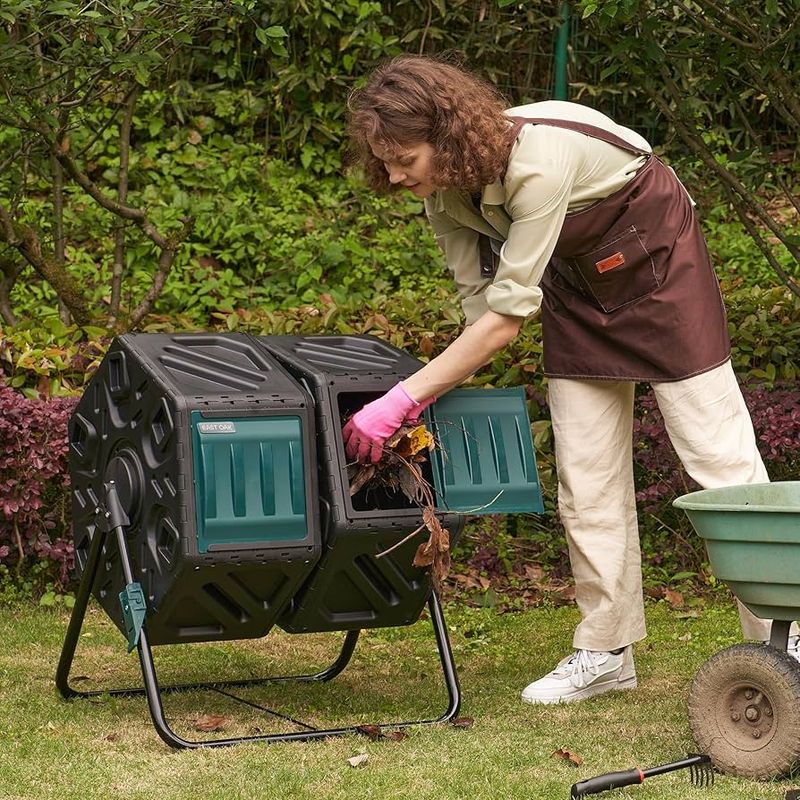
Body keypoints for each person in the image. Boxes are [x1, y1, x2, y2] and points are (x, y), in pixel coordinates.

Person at [341, 53, 783, 705]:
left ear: (445, 135)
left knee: (721, 463)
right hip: (575, 290)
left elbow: (503, 324)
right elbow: (480, 311)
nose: (394, 174)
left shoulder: (537, 164)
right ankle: (606, 652)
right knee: (586, 477)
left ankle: (786, 640)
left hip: (657, 259)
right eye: (386, 162)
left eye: (403, 158)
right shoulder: (443, 197)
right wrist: (425, 390)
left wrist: (403, 397)